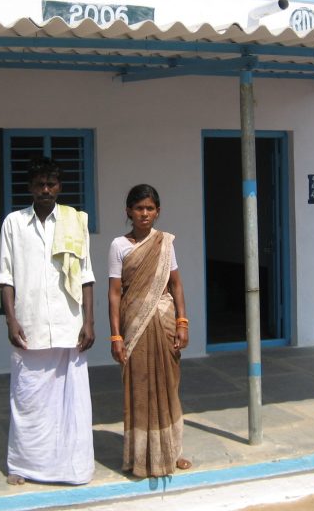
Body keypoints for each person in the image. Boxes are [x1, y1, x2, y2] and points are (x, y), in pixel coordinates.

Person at [0, 156, 96, 486]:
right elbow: (5, 276)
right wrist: (11, 321)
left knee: (72, 403)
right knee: (28, 399)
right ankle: (24, 466)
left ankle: (73, 468)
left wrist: (89, 321)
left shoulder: (75, 222)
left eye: (51, 184)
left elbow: (86, 274)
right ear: (30, 187)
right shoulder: (13, 223)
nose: (46, 190)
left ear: (60, 187)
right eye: (40, 184)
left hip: (69, 323)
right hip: (30, 325)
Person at [107, 183, 191, 478]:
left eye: (150, 208)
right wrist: (115, 335)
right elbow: (115, 292)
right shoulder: (119, 245)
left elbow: (176, 284)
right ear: (128, 211)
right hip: (134, 325)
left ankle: (172, 451)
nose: (144, 213)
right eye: (139, 208)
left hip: (165, 322)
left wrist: (182, 322)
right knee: (139, 389)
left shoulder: (165, 243)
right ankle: (139, 456)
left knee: (168, 387)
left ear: (158, 212)